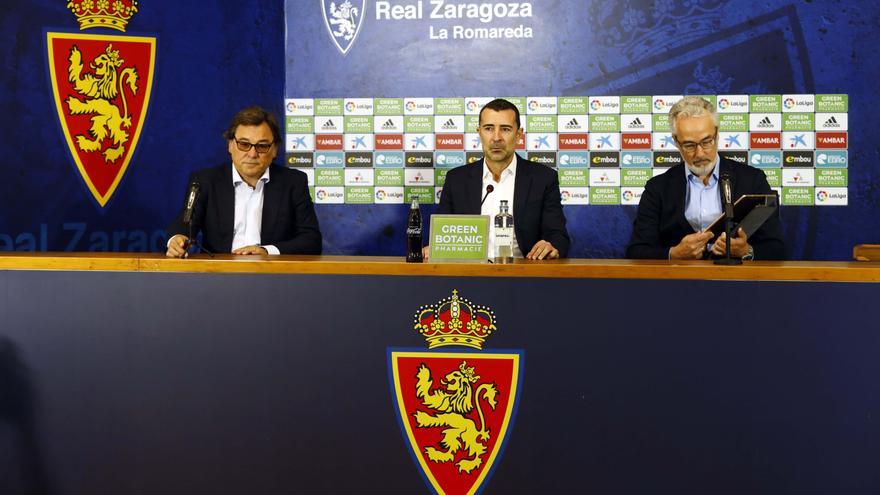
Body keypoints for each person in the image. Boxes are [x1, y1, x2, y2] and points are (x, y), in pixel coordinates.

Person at [626, 96, 784, 260]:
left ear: (717, 134)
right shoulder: (657, 188)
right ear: (676, 141)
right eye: (689, 145)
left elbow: (776, 248)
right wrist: (674, 254)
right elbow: (637, 251)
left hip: (736, 283)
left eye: (706, 141)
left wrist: (746, 251)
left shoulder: (752, 180)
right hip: (677, 282)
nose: (700, 153)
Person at [166, 106, 321, 257]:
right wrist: (176, 240)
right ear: (230, 145)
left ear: (274, 150)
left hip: (272, 274)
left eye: (262, 146)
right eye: (244, 144)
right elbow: (184, 224)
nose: (252, 154)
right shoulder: (206, 181)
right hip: (218, 274)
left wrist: (267, 251)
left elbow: (311, 241)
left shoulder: (293, 182)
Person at [426, 98, 570, 260]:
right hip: (469, 274)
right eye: (488, 128)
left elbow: (558, 235)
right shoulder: (456, 179)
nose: (496, 138)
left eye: (505, 129)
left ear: (518, 135)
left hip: (524, 275)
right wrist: (435, 246)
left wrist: (551, 245)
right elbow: (441, 233)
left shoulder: (543, 178)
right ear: (479, 132)